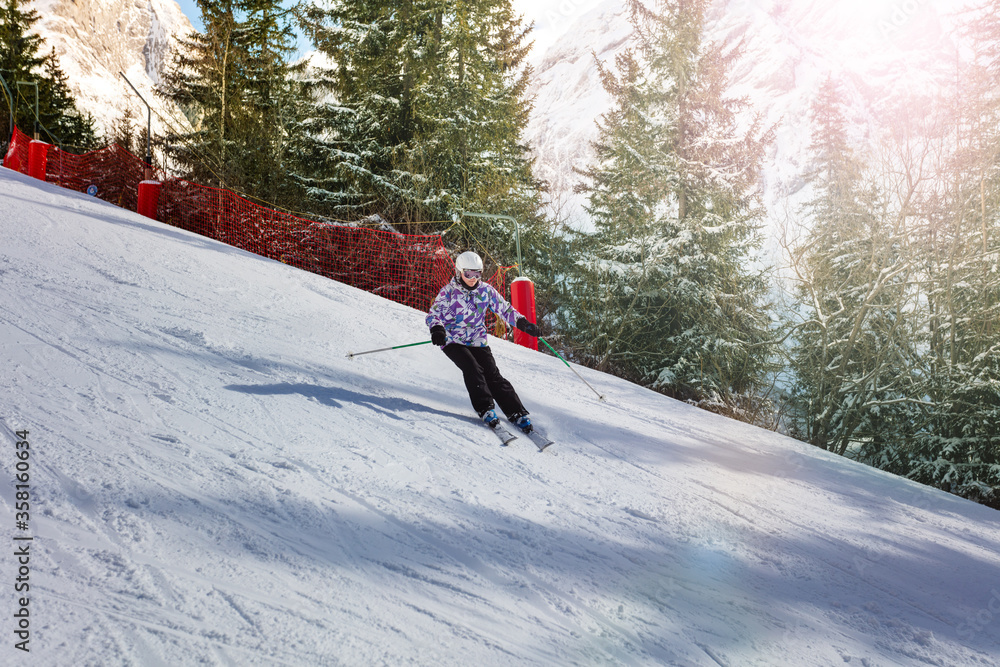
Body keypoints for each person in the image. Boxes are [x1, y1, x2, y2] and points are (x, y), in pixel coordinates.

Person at [426, 251, 540, 431]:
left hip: (477, 339)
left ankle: (516, 412)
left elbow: (505, 310)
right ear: (459, 272)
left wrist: (523, 323)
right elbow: (434, 315)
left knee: (492, 374)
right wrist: (437, 329)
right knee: (472, 368)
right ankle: (486, 409)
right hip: (452, 339)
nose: (473, 278)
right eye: (468, 274)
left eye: (477, 274)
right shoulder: (449, 292)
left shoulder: (486, 291)